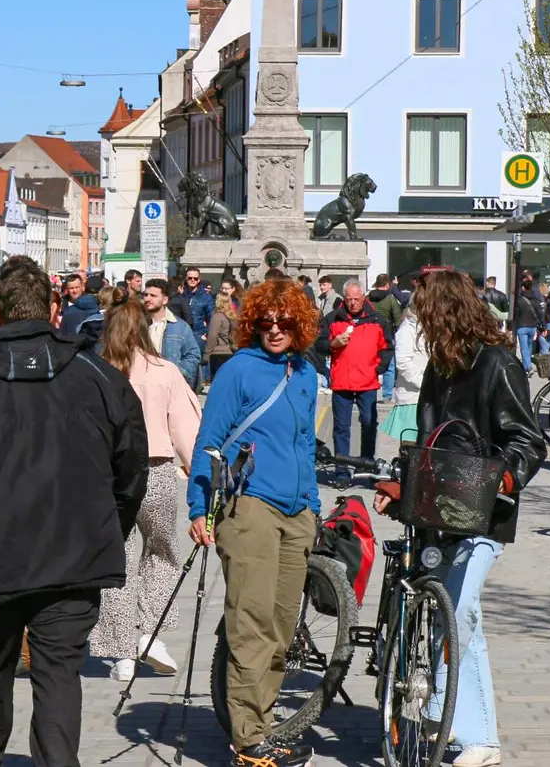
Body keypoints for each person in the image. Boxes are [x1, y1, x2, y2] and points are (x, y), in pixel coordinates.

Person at [0, 255, 148, 767]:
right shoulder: (95, 375)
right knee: (49, 673)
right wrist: (106, 527)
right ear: (54, 308)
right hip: (59, 553)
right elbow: (132, 468)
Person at [389, 269, 544, 767]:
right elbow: (427, 438)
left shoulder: (497, 363)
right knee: (448, 615)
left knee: (460, 614)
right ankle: (448, 715)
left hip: (483, 511)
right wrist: (403, 484)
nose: (421, 327)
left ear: (446, 314)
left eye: (426, 316)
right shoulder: (441, 366)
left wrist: (502, 479)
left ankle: (479, 737)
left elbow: (528, 440)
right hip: (439, 510)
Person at [190, 278, 322, 767]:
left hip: (296, 511)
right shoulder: (239, 370)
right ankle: (249, 741)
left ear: (299, 325)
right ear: (253, 323)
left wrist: (313, 506)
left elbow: (305, 444)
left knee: (282, 630)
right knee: (252, 623)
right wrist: (198, 507)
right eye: (266, 321)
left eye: (285, 321)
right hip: (250, 506)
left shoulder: (305, 372)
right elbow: (209, 440)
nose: (275, 329)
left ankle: (260, 726)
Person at [89, 302, 199, 683]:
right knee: (161, 553)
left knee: (115, 559)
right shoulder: (165, 372)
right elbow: (185, 427)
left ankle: (121, 652)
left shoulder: (97, 372)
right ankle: (152, 634)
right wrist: (195, 467)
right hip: (156, 469)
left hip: (108, 475)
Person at [315, 279, 394, 460]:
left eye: (356, 299)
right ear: (344, 298)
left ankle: (366, 462)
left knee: (368, 424)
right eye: (349, 299)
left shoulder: (377, 319)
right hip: (342, 382)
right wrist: (332, 344)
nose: (352, 303)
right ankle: (342, 468)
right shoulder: (332, 318)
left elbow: (387, 348)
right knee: (341, 427)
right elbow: (319, 344)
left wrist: (378, 369)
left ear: (363, 297)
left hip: (367, 382)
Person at [381, 299, 426, 443]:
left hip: (426, 398)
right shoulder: (407, 329)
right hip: (412, 399)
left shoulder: (428, 328)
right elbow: (403, 363)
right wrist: (424, 383)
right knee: (411, 447)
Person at [142, 278, 202, 386]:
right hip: (144, 384)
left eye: (153, 295)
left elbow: (193, 355)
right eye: (146, 295)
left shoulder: (180, 327)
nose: (147, 299)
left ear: (165, 300)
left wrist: (179, 373)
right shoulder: (138, 325)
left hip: (170, 385)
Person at [369, 275, 403, 401]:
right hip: (386, 334)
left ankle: (370, 390)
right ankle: (387, 396)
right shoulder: (390, 299)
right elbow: (398, 318)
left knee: (370, 363)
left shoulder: (368, 298)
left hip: (370, 334)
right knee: (389, 365)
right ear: (387, 284)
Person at [206, 290, 240, 384]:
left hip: (218, 353)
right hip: (231, 352)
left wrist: (206, 354)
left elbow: (212, 336)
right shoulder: (233, 317)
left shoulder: (217, 316)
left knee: (217, 382)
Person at [512, 278, 543, 370]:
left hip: (522, 326)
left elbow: (516, 314)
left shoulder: (519, 300)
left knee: (524, 348)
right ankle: (527, 364)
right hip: (532, 326)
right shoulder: (536, 300)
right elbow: (540, 313)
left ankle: (528, 367)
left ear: (523, 287)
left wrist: (512, 325)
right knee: (529, 347)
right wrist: (543, 326)